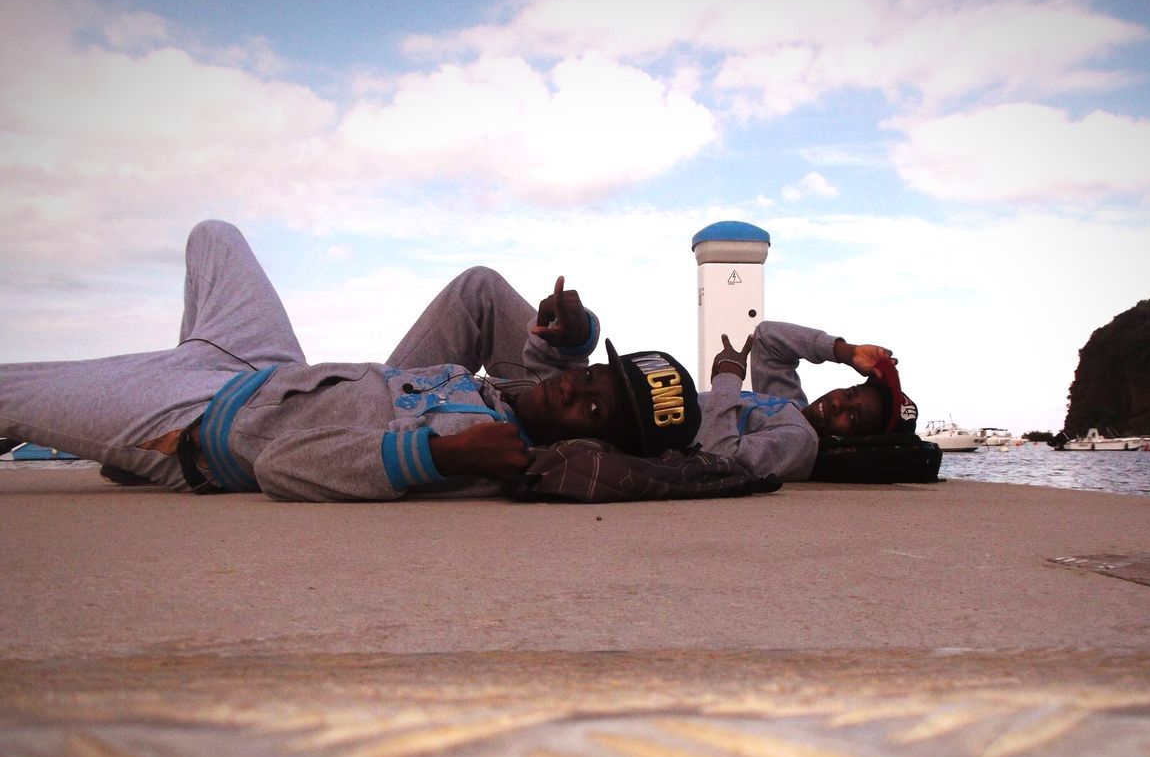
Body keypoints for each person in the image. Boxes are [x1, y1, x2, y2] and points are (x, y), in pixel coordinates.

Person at [0, 220, 700, 501]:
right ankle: (117, 431)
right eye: (592, 377)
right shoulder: (528, 397)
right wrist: (570, 337)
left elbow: (279, 465)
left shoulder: (477, 450)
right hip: (259, 361)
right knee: (214, 237)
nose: (575, 391)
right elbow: (552, 384)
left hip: (196, 418)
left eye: (593, 407)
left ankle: (126, 437)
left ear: (589, 440)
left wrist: (441, 456)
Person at [696, 322, 918, 481]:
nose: (838, 404)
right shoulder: (794, 407)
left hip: (669, 423)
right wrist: (844, 352)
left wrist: (728, 377)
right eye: (850, 393)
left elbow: (719, 456)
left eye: (852, 417)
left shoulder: (801, 440)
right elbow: (767, 338)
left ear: (854, 440)